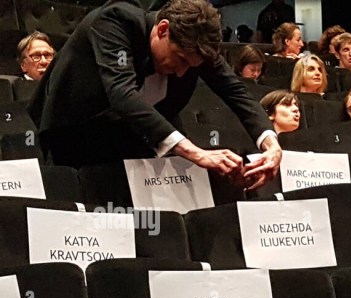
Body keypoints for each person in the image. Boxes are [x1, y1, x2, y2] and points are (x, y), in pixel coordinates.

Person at [29, 0, 281, 191]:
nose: (182, 72)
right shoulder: (116, 20)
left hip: (136, 133)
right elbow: (122, 93)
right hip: (76, 131)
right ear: (162, 30)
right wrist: (196, 152)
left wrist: (271, 144)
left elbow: (236, 91)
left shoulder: (198, 48)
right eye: (180, 59)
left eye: (191, 65)